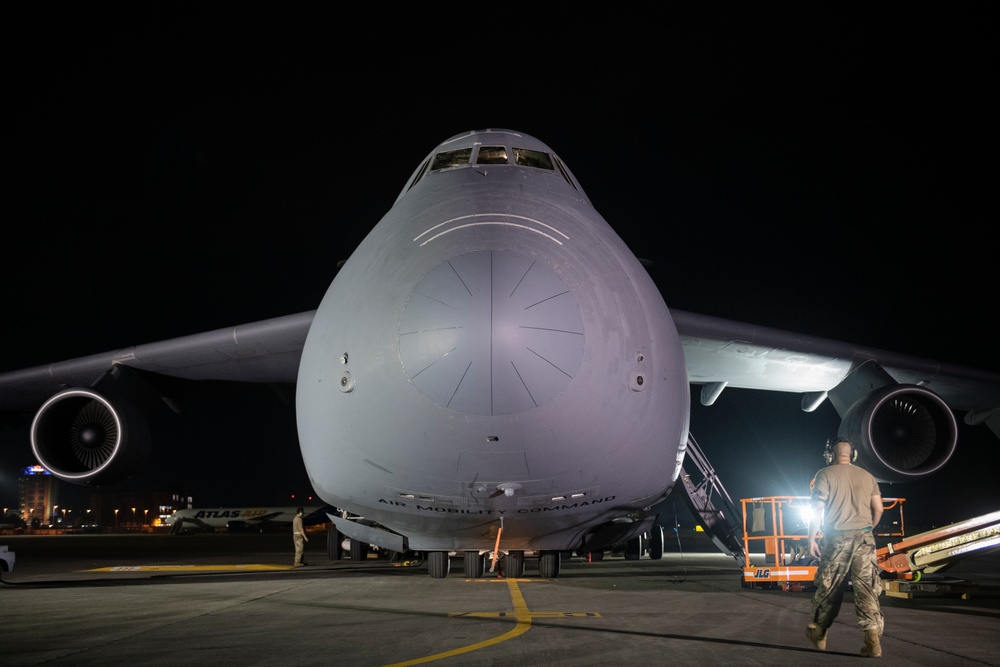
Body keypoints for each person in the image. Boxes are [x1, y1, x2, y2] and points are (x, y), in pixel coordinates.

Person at [805, 437, 884, 658]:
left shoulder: (824, 474)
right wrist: (867, 529)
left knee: (830, 587)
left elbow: (817, 510)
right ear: (853, 455)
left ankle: (819, 633)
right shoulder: (868, 476)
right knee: (866, 589)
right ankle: (873, 642)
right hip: (865, 539)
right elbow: (879, 509)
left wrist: (811, 539)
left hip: (837, 538)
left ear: (830, 455)